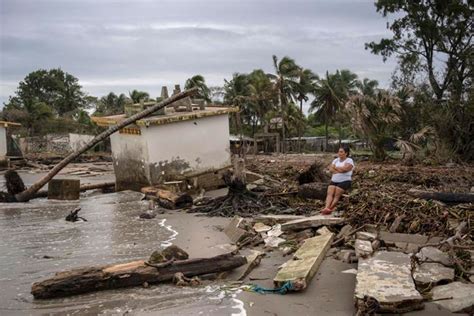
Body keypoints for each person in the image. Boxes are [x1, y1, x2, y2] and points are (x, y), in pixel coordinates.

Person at [321, 146, 354, 215]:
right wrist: (339, 169)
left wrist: (336, 168)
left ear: (346, 153)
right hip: (334, 180)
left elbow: (345, 169)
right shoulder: (335, 160)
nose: (339, 153)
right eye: (339, 152)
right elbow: (331, 169)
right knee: (330, 193)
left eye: (341, 152)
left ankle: (330, 208)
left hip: (345, 180)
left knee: (336, 194)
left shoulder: (349, 160)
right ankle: (326, 207)